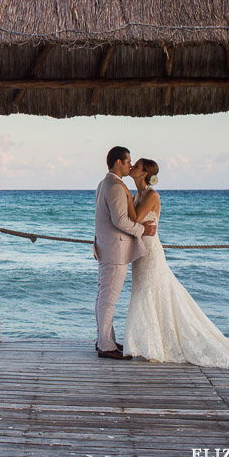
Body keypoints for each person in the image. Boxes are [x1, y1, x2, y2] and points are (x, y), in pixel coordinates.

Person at [122, 158, 229, 367]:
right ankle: (148, 343)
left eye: (136, 166)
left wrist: (121, 195)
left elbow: (135, 218)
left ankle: (154, 345)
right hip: (140, 250)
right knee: (144, 292)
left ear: (144, 173)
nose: (132, 168)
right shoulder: (137, 194)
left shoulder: (150, 195)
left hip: (150, 251)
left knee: (150, 291)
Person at [94, 146, 156, 360]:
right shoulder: (115, 186)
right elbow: (119, 220)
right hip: (115, 249)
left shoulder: (104, 183)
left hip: (107, 247)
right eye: (128, 161)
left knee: (103, 295)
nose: (130, 165)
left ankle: (105, 339)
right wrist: (142, 230)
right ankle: (105, 345)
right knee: (108, 298)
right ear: (118, 163)